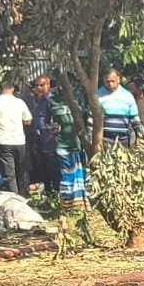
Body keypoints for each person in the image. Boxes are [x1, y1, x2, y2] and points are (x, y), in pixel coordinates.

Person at [0, 76, 33, 196]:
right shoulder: (19, 102)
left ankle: (14, 197)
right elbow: (28, 120)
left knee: (9, 173)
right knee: (21, 169)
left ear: (0, 89)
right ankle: (23, 194)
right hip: (20, 141)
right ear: (12, 89)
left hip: (3, 141)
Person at [47, 78, 88, 214]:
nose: (63, 89)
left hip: (78, 143)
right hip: (62, 144)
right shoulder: (52, 102)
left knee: (79, 173)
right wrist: (51, 128)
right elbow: (46, 122)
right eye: (60, 86)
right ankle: (67, 204)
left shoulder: (77, 99)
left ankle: (81, 203)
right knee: (67, 174)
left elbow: (87, 117)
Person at [25, 74, 60, 194]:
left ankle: (56, 192)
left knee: (52, 168)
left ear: (48, 85)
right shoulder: (35, 101)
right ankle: (48, 192)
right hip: (37, 140)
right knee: (41, 169)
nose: (39, 88)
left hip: (49, 140)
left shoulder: (52, 100)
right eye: (37, 85)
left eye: (42, 85)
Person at [98, 69, 141, 146]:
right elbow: (91, 120)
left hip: (124, 141)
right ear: (103, 80)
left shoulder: (128, 96)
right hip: (104, 141)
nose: (110, 84)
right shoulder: (98, 95)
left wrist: (139, 137)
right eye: (108, 81)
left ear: (118, 79)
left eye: (112, 81)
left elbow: (135, 120)